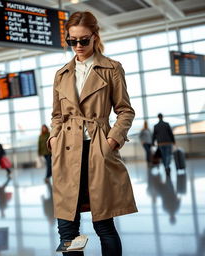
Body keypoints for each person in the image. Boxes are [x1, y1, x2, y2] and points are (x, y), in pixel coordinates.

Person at [47, 11, 137, 256]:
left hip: (98, 149)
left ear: (95, 37)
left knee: (103, 224)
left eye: (83, 40)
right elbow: (57, 114)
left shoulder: (112, 68)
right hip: (66, 151)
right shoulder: (61, 74)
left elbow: (125, 110)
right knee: (66, 226)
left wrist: (112, 141)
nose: (77, 46)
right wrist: (54, 138)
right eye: (71, 41)